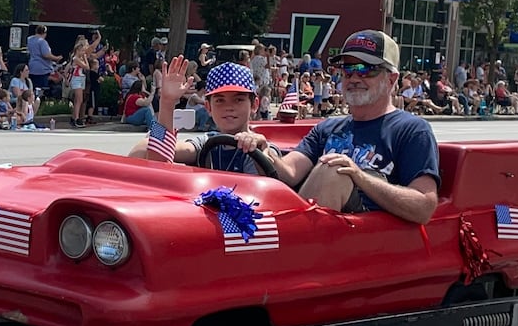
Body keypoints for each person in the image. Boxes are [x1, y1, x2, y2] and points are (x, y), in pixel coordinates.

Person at [272, 30, 439, 223]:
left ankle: (295, 246)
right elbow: (289, 172)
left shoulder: (412, 130)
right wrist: (261, 148)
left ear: (391, 79)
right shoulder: (326, 128)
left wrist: (359, 176)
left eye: (366, 69)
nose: (354, 78)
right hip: (323, 233)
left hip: (368, 240)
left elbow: (424, 207)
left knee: (334, 169)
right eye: (347, 69)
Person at [128, 58, 278, 173]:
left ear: (254, 105)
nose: (229, 107)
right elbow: (156, 156)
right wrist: (167, 103)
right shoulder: (206, 143)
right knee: (143, 147)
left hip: (248, 212)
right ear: (208, 107)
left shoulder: (263, 147)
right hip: (204, 212)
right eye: (220, 101)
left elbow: (272, 185)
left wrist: (259, 149)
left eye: (238, 100)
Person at [26, 24, 61, 96]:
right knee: (42, 90)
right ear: (44, 33)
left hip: (31, 67)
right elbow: (46, 55)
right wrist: (57, 58)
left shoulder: (29, 39)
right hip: (42, 69)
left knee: (32, 88)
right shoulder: (42, 42)